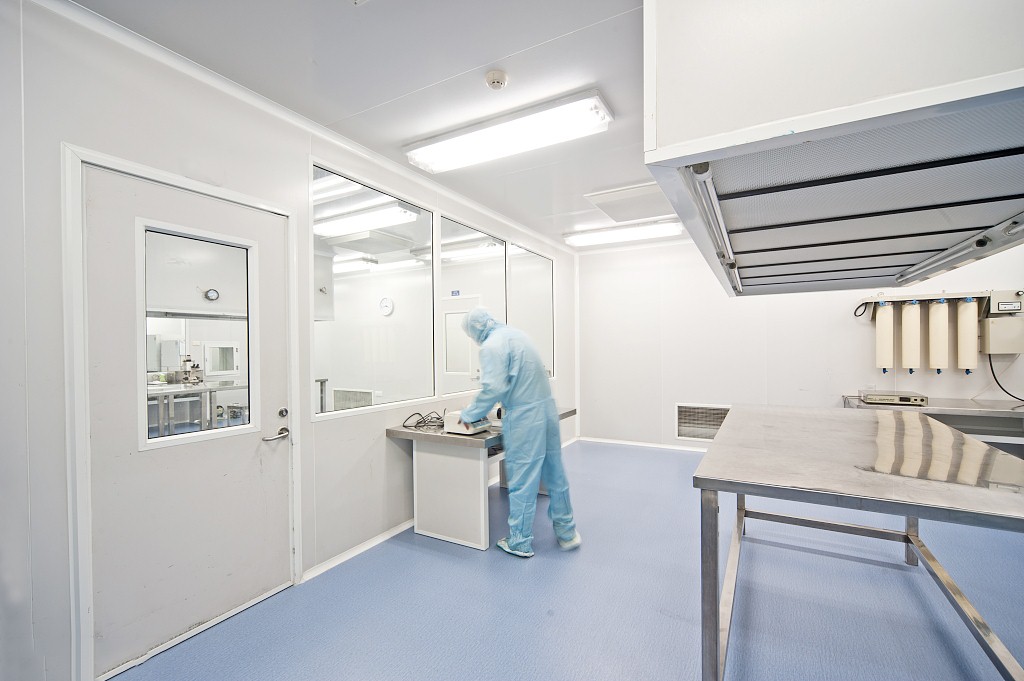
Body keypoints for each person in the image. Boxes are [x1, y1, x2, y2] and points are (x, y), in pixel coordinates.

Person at [459, 307, 581, 558]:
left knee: (523, 480)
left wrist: (469, 414)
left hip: (525, 417)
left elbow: (492, 388)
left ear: (474, 330)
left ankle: (519, 541)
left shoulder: (491, 346)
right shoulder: (517, 335)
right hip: (547, 410)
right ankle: (567, 532)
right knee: (555, 474)